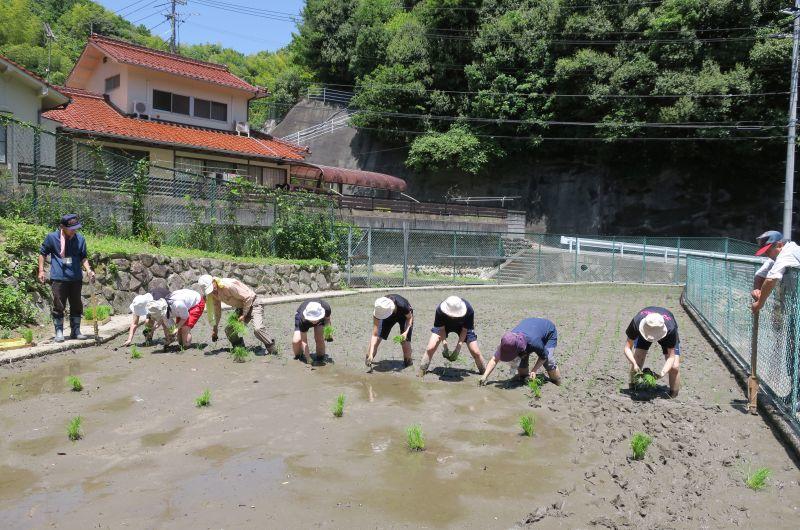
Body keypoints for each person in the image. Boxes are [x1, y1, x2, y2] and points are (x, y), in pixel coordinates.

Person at [37, 214, 95, 343]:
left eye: (76, 227)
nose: (74, 230)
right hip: (59, 278)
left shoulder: (80, 239)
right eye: (72, 228)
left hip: (75, 278)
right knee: (59, 304)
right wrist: (41, 271)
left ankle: (76, 331)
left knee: (76, 304)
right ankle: (59, 332)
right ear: (62, 227)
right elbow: (42, 254)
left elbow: (83, 257)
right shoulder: (52, 237)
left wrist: (89, 270)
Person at [197, 274, 276, 353]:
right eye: (209, 290)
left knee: (258, 329)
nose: (213, 291)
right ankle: (239, 349)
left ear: (214, 281)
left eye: (212, 287)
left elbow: (248, 297)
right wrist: (215, 328)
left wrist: (244, 315)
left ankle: (272, 349)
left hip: (254, 304)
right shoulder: (213, 294)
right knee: (229, 330)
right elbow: (217, 311)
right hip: (241, 308)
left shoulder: (229, 286)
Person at [479, 318, 562, 386]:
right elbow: (494, 359)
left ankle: (557, 383)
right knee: (522, 366)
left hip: (548, 331)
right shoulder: (507, 341)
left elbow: (544, 356)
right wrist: (485, 376)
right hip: (530, 327)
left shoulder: (534, 342)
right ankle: (524, 378)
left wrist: (534, 370)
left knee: (548, 361)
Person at [418, 296, 486, 377]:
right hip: (444, 327)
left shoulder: (469, 310)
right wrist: (445, 346)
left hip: (462, 328)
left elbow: (464, 330)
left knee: (475, 351)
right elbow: (442, 329)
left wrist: (458, 349)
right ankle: (421, 372)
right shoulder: (440, 310)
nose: (452, 317)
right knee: (430, 348)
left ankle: (484, 373)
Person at [623, 307, 681, 398]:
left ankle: (673, 394)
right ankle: (633, 387)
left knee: (674, 367)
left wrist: (662, 373)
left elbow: (671, 357)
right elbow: (627, 348)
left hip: (666, 335)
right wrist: (634, 364)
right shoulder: (636, 322)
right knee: (638, 357)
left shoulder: (670, 329)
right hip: (644, 332)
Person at [751, 230, 800, 313]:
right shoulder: (776, 255)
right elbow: (759, 274)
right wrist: (757, 290)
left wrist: (759, 304)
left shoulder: (788, 253)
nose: (766, 254)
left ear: (779, 245)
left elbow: (771, 279)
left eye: (768, 251)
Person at [366, 295, 414, 370]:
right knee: (378, 338)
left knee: (404, 341)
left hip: (404, 317)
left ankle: (408, 362)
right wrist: (371, 354)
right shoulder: (380, 308)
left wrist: (405, 332)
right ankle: (368, 360)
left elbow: (410, 318)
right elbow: (375, 335)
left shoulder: (403, 305)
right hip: (387, 318)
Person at [293, 299, 332, 364]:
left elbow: (327, 320)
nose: (314, 321)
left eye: (316, 319)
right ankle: (299, 356)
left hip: (320, 319)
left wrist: (328, 332)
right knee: (296, 341)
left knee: (319, 338)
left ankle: (320, 358)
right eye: (312, 319)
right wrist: (308, 358)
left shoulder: (326, 308)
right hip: (304, 319)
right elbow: (304, 341)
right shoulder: (303, 319)